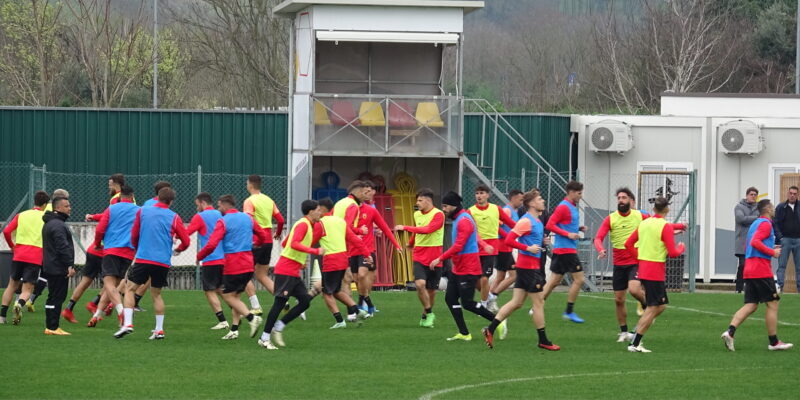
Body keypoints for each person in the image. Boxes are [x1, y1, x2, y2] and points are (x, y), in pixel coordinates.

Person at [483, 190, 559, 351]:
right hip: (529, 269)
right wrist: (527, 247)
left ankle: (489, 329)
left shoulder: (537, 222)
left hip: (527, 268)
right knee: (538, 303)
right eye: (540, 199)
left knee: (516, 303)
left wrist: (542, 241)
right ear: (532, 203)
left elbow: (531, 239)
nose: (543, 200)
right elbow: (510, 239)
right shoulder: (526, 221)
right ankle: (543, 340)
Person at [115, 187, 190, 339]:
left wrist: (137, 248)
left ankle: (128, 324)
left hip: (144, 258)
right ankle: (159, 330)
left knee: (130, 289)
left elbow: (134, 234)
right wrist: (179, 249)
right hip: (162, 261)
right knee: (156, 294)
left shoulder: (143, 211)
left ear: (157, 197)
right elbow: (186, 240)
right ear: (171, 201)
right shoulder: (174, 216)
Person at [722, 199, 793, 351]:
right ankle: (774, 342)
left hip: (750, 268)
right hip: (760, 269)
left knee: (752, 305)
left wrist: (771, 247)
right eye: (772, 207)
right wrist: (772, 252)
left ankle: (730, 332)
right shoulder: (766, 224)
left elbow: (755, 242)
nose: (774, 209)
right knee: (773, 303)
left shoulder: (755, 223)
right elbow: (755, 242)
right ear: (767, 209)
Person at [197, 195, 269, 341]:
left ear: (225, 205)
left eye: (219, 206)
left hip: (233, 264)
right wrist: (257, 243)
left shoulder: (223, 221)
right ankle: (234, 330)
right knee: (236, 297)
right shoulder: (247, 218)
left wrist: (200, 256)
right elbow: (262, 234)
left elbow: (211, 244)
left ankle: (251, 317)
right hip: (248, 263)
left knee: (229, 296)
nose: (218, 209)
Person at [430, 192, 497, 342]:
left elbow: (458, 246)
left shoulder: (464, 221)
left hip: (468, 267)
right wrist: (484, 245)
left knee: (467, 303)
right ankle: (464, 333)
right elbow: (475, 236)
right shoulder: (461, 218)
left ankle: (498, 320)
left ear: (454, 206)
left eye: (446, 206)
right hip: (458, 267)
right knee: (450, 298)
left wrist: (439, 258)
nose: (444, 209)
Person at [624, 197, 685, 353]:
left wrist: (639, 256)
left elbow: (628, 244)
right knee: (653, 308)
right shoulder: (664, 226)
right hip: (655, 271)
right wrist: (681, 248)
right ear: (667, 209)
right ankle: (635, 342)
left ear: (654, 209)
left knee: (660, 306)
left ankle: (635, 336)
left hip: (644, 269)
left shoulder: (644, 224)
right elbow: (672, 252)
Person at [258, 200, 321, 350]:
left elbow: (286, 243)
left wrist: (300, 261)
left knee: (305, 301)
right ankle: (264, 337)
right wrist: (314, 251)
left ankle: (279, 326)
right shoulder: (303, 224)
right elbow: (293, 244)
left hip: (293, 270)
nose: (320, 212)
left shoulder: (308, 225)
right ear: (310, 211)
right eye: (318, 210)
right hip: (286, 270)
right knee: (279, 303)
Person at [594, 188, 649, 342]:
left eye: (624, 198)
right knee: (619, 300)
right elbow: (598, 237)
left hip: (635, 261)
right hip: (619, 264)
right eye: (619, 198)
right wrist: (601, 249)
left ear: (631, 201)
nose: (621, 200)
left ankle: (647, 305)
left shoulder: (640, 215)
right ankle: (624, 331)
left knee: (634, 289)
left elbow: (658, 225)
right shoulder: (611, 219)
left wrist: (673, 230)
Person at [87, 186, 139, 327]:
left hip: (112, 250)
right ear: (132, 196)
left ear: (121, 196)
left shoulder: (112, 209)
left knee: (109, 285)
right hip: (129, 252)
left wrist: (97, 243)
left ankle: (121, 311)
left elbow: (100, 228)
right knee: (113, 287)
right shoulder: (138, 211)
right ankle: (96, 316)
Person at [314, 198, 370, 328]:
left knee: (326, 293)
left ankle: (340, 321)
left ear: (322, 209)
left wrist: (301, 251)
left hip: (331, 261)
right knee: (336, 290)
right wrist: (367, 254)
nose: (316, 212)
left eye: (317, 209)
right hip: (343, 260)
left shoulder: (320, 223)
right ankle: (358, 310)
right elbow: (355, 239)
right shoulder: (340, 222)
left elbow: (312, 241)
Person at [396, 188, 445, 328]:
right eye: (417, 200)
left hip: (435, 257)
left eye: (420, 200)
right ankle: (430, 313)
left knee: (431, 292)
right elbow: (418, 230)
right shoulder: (417, 214)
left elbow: (428, 229)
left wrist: (405, 227)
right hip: (419, 254)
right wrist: (411, 243)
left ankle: (425, 315)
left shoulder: (438, 214)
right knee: (419, 284)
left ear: (428, 200)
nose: (417, 203)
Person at [542, 181, 588, 323]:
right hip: (566, 250)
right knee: (579, 279)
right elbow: (550, 225)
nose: (581, 196)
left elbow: (565, 224)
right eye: (579, 193)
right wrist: (568, 234)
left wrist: (577, 229)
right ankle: (569, 311)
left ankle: (536, 305)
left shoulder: (572, 206)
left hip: (564, 250)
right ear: (571, 192)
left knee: (554, 281)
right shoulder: (563, 207)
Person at [1, 191, 49, 325]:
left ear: (34, 201)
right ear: (45, 204)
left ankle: (2, 317)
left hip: (19, 253)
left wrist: (12, 246)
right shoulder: (46, 217)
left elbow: (6, 231)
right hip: (35, 256)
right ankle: (19, 304)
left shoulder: (21, 215)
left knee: (11, 285)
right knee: (27, 289)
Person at [355, 182, 401, 316]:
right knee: (358, 277)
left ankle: (361, 304)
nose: (368, 194)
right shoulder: (352, 207)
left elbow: (378, 224)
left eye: (370, 191)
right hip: (354, 248)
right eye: (366, 191)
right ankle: (364, 304)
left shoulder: (371, 207)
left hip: (369, 247)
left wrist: (376, 231)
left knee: (368, 276)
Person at [467, 185, 517, 309]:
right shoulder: (470, 211)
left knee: (484, 279)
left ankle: (483, 305)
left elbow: (511, 224)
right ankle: (489, 296)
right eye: (477, 193)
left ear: (488, 195)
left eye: (482, 193)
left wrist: (525, 230)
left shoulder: (496, 209)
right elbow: (471, 231)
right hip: (474, 249)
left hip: (491, 249)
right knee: (474, 280)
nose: (479, 195)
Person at [186, 192, 229, 330]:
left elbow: (187, 232)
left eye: (197, 205)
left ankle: (223, 321)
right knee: (220, 289)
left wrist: (174, 238)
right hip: (224, 258)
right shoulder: (220, 214)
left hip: (211, 258)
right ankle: (240, 312)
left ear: (203, 203)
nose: (197, 207)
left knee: (209, 290)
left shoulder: (200, 217)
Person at [243, 174, 285, 314]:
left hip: (255, 241)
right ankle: (282, 299)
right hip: (268, 241)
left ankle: (255, 306)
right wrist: (278, 233)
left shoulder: (249, 201)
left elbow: (249, 221)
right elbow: (280, 220)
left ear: (250, 185)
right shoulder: (269, 200)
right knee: (262, 275)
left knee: (244, 275)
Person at [41, 196, 76, 335]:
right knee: (58, 297)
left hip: (50, 265)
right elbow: (62, 247)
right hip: (58, 267)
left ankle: (50, 326)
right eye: (67, 206)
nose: (70, 208)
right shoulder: (58, 225)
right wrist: (69, 265)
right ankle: (53, 327)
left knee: (52, 297)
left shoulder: (50, 223)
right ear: (58, 208)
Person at [333, 181, 370, 299]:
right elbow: (346, 227)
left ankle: (354, 310)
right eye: (365, 192)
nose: (366, 196)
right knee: (346, 279)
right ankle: (353, 311)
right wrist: (357, 235)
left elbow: (337, 222)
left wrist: (358, 231)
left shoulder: (340, 203)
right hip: (341, 247)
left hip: (333, 244)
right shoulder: (353, 206)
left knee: (344, 279)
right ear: (358, 192)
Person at [488, 189, 524, 312]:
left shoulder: (514, 211)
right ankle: (492, 297)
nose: (521, 202)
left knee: (500, 276)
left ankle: (488, 300)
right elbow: (496, 226)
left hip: (506, 246)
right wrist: (507, 236)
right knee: (514, 275)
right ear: (513, 198)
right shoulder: (507, 210)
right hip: (502, 246)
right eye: (520, 199)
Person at [773, 185, 800, 293]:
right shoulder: (780, 207)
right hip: (785, 240)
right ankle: (780, 288)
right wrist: (780, 238)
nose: (792, 195)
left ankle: (799, 290)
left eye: (795, 193)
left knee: (799, 267)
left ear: (797, 195)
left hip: (799, 240)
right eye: (791, 193)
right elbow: (775, 223)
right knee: (782, 266)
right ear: (787, 194)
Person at [734, 187, 759, 293]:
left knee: (754, 266)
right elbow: (741, 219)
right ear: (747, 195)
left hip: (755, 241)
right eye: (751, 194)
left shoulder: (759, 208)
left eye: (755, 195)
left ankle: (751, 289)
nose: (753, 196)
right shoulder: (738, 206)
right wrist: (755, 218)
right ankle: (739, 288)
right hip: (742, 241)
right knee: (743, 265)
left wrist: (750, 218)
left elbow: (762, 218)